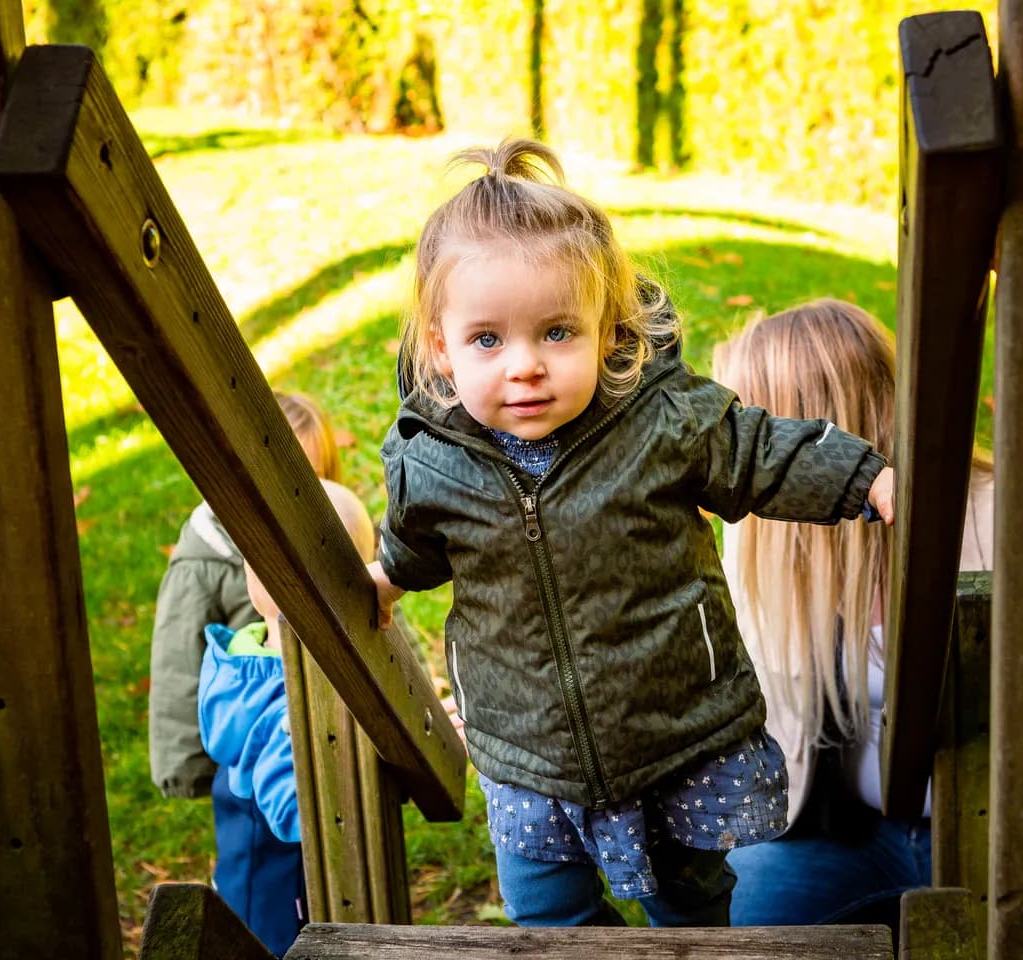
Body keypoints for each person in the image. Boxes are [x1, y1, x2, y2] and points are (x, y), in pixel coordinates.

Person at [366, 139, 896, 928]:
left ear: (608, 330)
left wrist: (865, 477)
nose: (524, 366)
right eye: (488, 339)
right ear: (441, 347)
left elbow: (758, 452)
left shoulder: (661, 421)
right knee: (545, 911)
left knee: (688, 903)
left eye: (556, 333)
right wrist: (385, 578)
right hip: (529, 753)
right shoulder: (431, 459)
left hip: (673, 737)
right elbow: (415, 542)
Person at [712, 298, 994, 930]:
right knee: (738, 919)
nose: (726, 454)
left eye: (742, 432)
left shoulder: (995, 519)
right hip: (841, 835)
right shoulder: (758, 542)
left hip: (995, 829)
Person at [199, 478, 375, 957]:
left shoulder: (242, 659)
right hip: (286, 904)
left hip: (245, 875)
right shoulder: (289, 698)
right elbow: (295, 814)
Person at [149, 391, 343, 799]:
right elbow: (178, 665)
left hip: (332, 733)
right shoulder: (205, 565)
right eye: (276, 482)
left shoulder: (336, 542)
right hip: (247, 757)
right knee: (258, 833)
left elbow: (383, 626)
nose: (291, 498)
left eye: (309, 480)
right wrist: (185, 766)